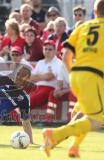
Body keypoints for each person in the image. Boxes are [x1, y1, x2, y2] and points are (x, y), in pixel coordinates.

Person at [41, 0, 104, 158]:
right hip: (95, 76)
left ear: (94, 13)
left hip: (76, 74)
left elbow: (66, 55)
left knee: (82, 114)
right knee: (96, 120)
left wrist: (74, 76)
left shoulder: (82, 26)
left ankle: (73, 146)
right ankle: (53, 134)